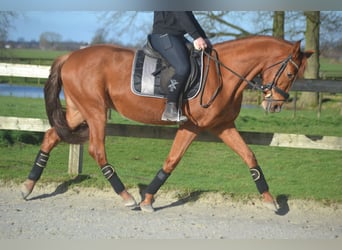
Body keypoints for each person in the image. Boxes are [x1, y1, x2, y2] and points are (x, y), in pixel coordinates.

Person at [150, 11, 210, 122]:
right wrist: (196, 36)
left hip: (177, 37)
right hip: (163, 35)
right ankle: (170, 108)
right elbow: (180, 13)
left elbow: (189, 15)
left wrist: (203, 37)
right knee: (182, 68)